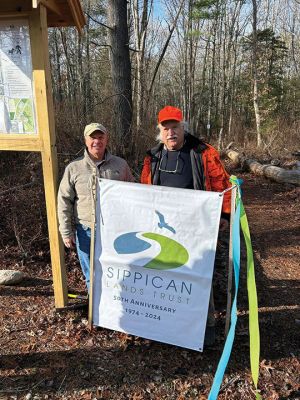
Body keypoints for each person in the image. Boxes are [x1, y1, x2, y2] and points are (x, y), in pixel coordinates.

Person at [140, 106, 231, 346]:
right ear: (159, 132)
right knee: (168, 273)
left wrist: (225, 215)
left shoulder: (203, 153)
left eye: (175, 127)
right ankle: (171, 322)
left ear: (184, 128)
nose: (171, 133)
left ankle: (206, 326)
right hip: (166, 229)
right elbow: (144, 189)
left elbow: (223, 183)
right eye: (166, 128)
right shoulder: (154, 156)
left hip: (198, 226)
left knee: (200, 274)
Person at [58, 122, 134, 290]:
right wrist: (66, 231)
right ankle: (96, 314)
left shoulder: (120, 165)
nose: (97, 142)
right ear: (86, 140)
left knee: (117, 274)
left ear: (107, 140)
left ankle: (115, 311)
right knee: (91, 276)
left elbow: (133, 195)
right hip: (86, 231)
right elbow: (64, 200)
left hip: (115, 231)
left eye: (101, 137)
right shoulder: (74, 168)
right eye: (93, 138)